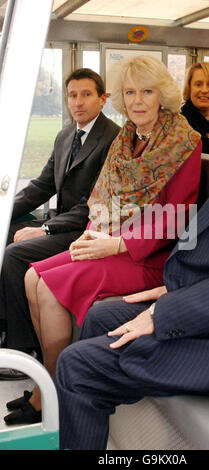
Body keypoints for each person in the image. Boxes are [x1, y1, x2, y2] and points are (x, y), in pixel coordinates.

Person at [51, 16, 209, 450]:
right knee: (102, 315)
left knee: (77, 365)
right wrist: (167, 291)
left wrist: (166, 310)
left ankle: (87, 393)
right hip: (208, 300)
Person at [3, 55, 201, 425]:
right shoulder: (127, 138)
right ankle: (49, 383)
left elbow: (178, 217)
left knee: (47, 288)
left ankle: (54, 393)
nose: (137, 100)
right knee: (31, 275)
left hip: (149, 259)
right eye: (130, 92)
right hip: (111, 242)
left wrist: (119, 244)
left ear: (163, 95)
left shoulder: (183, 142)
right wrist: (99, 234)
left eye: (147, 91)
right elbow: (105, 200)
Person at [0, 68, 120, 370]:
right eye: (72, 95)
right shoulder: (66, 134)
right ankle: (6, 325)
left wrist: (45, 228)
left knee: (15, 255)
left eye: (86, 95)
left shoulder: (113, 139)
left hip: (86, 230)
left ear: (102, 99)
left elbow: (94, 204)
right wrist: (4, 213)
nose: (78, 102)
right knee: (6, 233)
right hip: (61, 221)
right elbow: (42, 185)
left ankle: (24, 351)